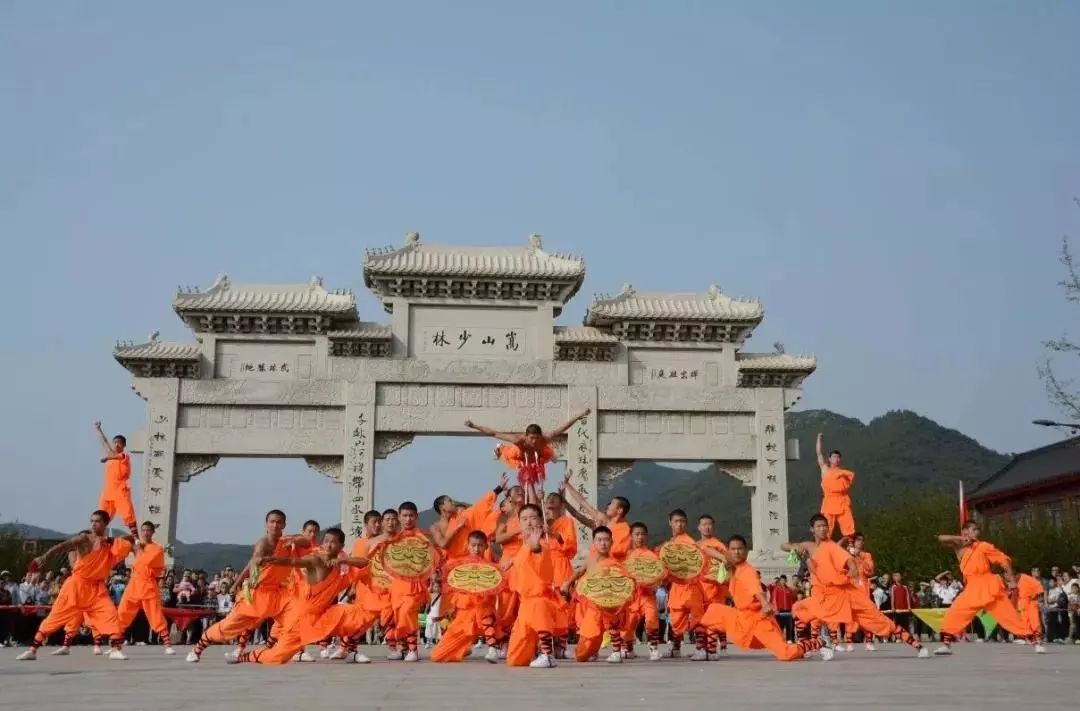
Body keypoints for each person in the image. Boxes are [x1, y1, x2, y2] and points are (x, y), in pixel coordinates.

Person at [786, 514, 928, 658]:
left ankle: (916, 645)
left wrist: (853, 568)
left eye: (825, 526)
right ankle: (806, 648)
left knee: (878, 620)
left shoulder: (831, 546)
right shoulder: (807, 546)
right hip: (824, 596)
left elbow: (847, 559)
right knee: (799, 609)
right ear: (812, 529)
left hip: (845, 593)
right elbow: (784, 545)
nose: (823, 529)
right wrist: (795, 548)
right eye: (819, 526)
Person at [227, 528, 370, 665]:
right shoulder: (315, 560)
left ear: (341, 546)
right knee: (278, 657)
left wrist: (343, 561)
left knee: (358, 615)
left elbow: (364, 562)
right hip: (302, 618)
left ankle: (350, 650)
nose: (328, 545)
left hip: (324, 615)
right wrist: (270, 559)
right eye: (326, 541)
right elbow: (293, 562)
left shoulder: (340, 563)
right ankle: (244, 657)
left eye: (333, 542)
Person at [186, 510, 310, 662]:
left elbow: (306, 541)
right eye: (272, 521)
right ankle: (198, 648)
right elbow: (254, 560)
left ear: (284, 525)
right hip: (257, 594)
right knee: (228, 626)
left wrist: (294, 540)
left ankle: (274, 650)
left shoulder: (286, 541)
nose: (275, 525)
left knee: (298, 617)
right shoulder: (263, 543)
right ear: (266, 524)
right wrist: (239, 581)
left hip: (279, 593)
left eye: (279, 522)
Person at [17, 511, 133, 661]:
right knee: (54, 618)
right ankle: (33, 650)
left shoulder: (110, 543)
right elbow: (63, 546)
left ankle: (116, 649)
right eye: (92, 521)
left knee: (111, 616)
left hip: (96, 589)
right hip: (76, 586)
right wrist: (45, 557)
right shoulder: (85, 538)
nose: (93, 524)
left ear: (105, 524)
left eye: (97, 521)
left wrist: (113, 540)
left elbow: (128, 543)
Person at [699, 535, 832, 661]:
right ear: (729, 551)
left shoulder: (748, 572)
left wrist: (764, 603)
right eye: (733, 549)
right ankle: (710, 651)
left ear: (746, 552)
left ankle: (820, 641)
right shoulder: (735, 567)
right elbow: (708, 550)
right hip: (741, 617)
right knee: (713, 612)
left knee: (785, 654)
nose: (737, 552)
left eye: (740, 549)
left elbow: (756, 590)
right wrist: (715, 554)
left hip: (759, 619)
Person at [932, 520, 1044, 655]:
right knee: (954, 613)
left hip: (989, 585)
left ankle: (1035, 642)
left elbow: (1004, 560)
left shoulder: (983, 546)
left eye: (978, 530)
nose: (977, 532)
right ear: (965, 531)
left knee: (1009, 617)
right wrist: (962, 538)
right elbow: (941, 538)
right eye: (974, 529)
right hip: (972, 588)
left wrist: (1013, 581)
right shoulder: (959, 545)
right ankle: (946, 645)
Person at [465, 410, 591, 504]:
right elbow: (494, 433)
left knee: (549, 455)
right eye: (531, 438)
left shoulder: (545, 438)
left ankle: (550, 457)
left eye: (537, 438)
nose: (534, 441)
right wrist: (474, 426)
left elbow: (564, 427)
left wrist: (579, 416)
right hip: (519, 456)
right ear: (526, 436)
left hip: (538, 457)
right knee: (510, 454)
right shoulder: (519, 440)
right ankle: (500, 449)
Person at [431, 531, 505, 663]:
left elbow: (498, 584)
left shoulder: (491, 568)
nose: (476, 549)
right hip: (464, 614)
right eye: (473, 545)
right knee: (437, 656)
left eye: (480, 546)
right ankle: (463, 648)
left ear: (486, 546)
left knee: (484, 611)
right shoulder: (459, 565)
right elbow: (448, 580)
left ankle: (493, 649)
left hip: (483, 610)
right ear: (468, 545)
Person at [561, 526, 627, 664]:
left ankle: (616, 651)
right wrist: (567, 583)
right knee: (583, 651)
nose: (603, 543)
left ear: (611, 542)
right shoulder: (590, 560)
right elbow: (579, 572)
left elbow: (624, 582)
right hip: (593, 604)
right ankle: (592, 651)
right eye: (599, 540)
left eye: (606, 540)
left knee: (612, 622)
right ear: (594, 542)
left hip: (610, 602)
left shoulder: (615, 564)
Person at [503, 504, 558, 668]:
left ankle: (547, 654)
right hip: (525, 602)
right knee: (514, 659)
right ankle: (537, 652)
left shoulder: (541, 544)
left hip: (538, 597)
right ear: (519, 523)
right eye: (524, 519)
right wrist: (510, 562)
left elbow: (537, 550)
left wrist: (535, 544)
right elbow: (524, 555)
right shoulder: (523, 547)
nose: (528, 522)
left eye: (533, 518)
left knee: (541, 620)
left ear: (540, 522)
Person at [384, 501, 433, 662]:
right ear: (399, 517)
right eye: (404, 516)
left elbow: (430, 561)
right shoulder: (394, 539)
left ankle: (413, 649)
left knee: (407, 614)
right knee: (400, 616)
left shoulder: (422, 537)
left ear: (416, 517)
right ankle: (403, 648)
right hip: (397, 586)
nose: (408, 519)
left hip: (414, 585)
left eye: (411, 515)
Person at [116, 522, 174, 655]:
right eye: (143, 530)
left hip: (148, 585)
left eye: (148, 530)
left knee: (155, 615)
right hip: (134, 585)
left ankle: (167, 645)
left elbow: (147, 560)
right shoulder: (137, 546)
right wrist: (129, 537)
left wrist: (139, 548)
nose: (145, 533)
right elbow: (120, 546)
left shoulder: (157, 548)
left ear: (153, 532)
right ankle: (116, 645)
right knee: (122, 613)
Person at [663, 509, 707, 660]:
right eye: (676, 521)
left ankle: (701, 649)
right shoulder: (671, 542)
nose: (680, 524)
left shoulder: (689, 542)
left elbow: (698, 562)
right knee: (676, 620)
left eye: (682, 521)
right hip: (677, 587)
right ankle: (675, 648)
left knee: (697, 619)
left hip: (691, 586)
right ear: (670, 523)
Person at [559, 473, 631, 561]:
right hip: (595, 563)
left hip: (612, 566)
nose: (608, 506)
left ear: (619, 510)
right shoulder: (603, 520)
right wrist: (567, 485)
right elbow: (583, 503)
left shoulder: (625, 529)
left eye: (612, 504)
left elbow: (621, 551)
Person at [622, 522, 663, 660]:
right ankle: (628, 648)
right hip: (632, 597)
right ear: (631, 537)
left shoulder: (651, 555)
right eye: (637, 534)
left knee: (652, 620)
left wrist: (655, 584)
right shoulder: (627, 555)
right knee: (628, 626)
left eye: (643, 534)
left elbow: (659, 574)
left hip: (647, 595)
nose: (640, 537)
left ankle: (654, 649)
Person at [544, 491, 578, 658]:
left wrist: (555, 535)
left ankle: (561, 645)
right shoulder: (542, 521)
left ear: (562, 504)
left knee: (562, 607)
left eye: (554, 498)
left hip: (561, 565)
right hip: (544, 566)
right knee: (546, 607)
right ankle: (546, 645)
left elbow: (570, 546)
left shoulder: (566, 521)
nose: (550, 500)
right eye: (548, 498)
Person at [93, 421, 137, 537]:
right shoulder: (110, 454)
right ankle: (96, 537)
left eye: (120, 443)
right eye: (115, 442)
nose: (117, 445)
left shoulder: (124, 456)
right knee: (102, 514)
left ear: (123, 446)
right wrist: (99, 430)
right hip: (108, 491)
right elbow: (104, 442)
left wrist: (107, 457)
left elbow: (117, 456)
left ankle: (136, 538)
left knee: (127, 514)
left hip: (120, 490)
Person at [697, 514, 729, 658]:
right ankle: (701, 649)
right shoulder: (695, 545)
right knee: (699, 619)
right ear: (699, 527)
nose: (707, 527)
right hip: (699, 587)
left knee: (713, 618)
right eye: (704, 524)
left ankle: (711, 649)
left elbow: (728, 563)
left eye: (709, 524)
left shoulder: (719, 545)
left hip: (715, 588)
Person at [816, 433, 855, 538]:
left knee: (848, 527)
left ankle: (850, 546)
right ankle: (824, 546)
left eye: (838, 457)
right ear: (829, 459)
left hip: (842, 501)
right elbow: (819, 454)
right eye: (834, 456)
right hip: (829, 502)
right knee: (826, 528)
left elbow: (850, 480)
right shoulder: (825, 470)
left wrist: (841, 474)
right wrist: (819, 439)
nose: (836, 459)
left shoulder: (843, 473)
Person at [1015, 570, 1045, 642]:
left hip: (1031, 602)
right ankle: (1027, 637)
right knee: (1025, 621)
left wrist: (1039, 598)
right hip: (1022, 604)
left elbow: (1038, 585)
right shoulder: (1016, 581)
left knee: (1034, 620)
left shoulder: (1025, 578)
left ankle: (1037, 637)